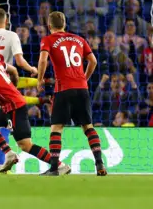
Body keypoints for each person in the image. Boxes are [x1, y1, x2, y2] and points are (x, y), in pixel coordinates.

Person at [0, 41, 69, 174]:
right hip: (8, 106)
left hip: (15, 107)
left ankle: (59, 165)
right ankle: (9, 153)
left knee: (26, 145)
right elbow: (13, 70)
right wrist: (12, 87)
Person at [36, 11, 105, 176]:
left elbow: (43, 59)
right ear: (64, 24)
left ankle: (54, 168)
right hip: (82, 88)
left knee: (57, 128)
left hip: (63, 88)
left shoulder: (48, 39)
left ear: (49, 25)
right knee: (88, 127)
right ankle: (100, 165)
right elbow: (93, 61)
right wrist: (84, 78)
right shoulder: (79, 39)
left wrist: (40, 79)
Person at [0, 8, 40, 174]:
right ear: (6, 21)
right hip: (3, 86)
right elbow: (19, 61)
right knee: (5, 124)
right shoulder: (11, 35)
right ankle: (1, 165)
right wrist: (32, 68)